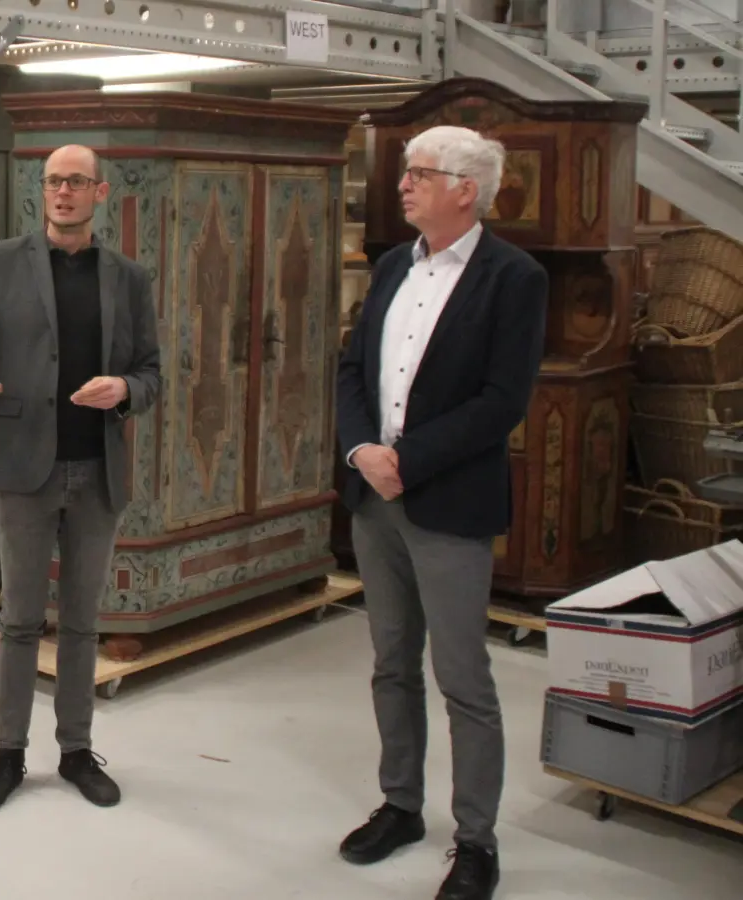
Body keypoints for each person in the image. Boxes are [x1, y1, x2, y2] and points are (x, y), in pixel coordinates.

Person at [334, 124, 547, 900]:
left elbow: (502, 402)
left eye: (419, 173)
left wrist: (409, 460)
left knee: (463, 677)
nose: (403, 184)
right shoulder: (392, 264)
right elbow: (351, 368)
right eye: (405, 172)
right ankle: (399, 805)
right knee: (392, 664)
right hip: (374, 498)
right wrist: (363, 451)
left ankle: (475, 841)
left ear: (467, 188)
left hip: (447, 503)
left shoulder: (513, 278)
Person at [0, 144, 161, 813]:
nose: (63, 192)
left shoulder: (127, 278)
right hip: (24, 468)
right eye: (54, 181)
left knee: (83, 624)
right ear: (43, 191)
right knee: (19, 621)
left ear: (100, 192)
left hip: (97, 473)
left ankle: (77, 751)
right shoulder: (4, 261)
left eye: (76, 182)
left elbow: (152, 372)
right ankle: (8, 754)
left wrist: (124, 387)